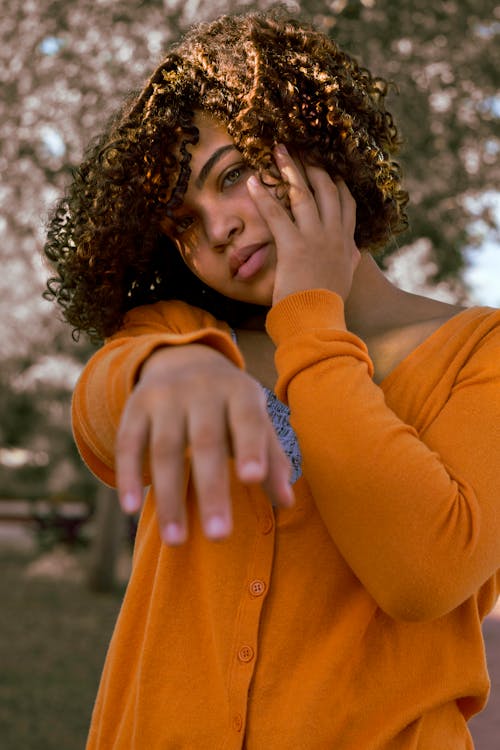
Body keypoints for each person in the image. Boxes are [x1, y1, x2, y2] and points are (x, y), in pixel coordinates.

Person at [43, 7, 500, 748]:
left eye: (231, 176)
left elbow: (424, 572)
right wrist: (164, 370)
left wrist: (310, 316)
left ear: (315, 144)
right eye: (184, 223)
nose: (216, 226)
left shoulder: (482, 353)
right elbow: (101, 404)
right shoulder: (179, 335)